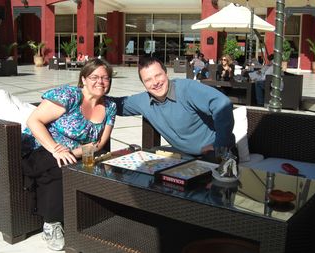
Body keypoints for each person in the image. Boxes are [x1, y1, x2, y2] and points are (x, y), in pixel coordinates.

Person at [21, 58, 116, 251]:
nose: (100, 82)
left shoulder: (110, 107)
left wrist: (74, 152)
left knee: (97, 168)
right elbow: (34, 121)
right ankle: (52, 223)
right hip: (41, 146)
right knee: (59, 167)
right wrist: (56, 148)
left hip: (77, 151)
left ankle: (90, 213)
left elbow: (99, 144)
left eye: (105, 78)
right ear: (84, 79)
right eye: (95, 77)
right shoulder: (69, 96)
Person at [112, 56, 235, 162]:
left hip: (215, 155)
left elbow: (222, 103)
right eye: (148, 80)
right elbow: (115, 105)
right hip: (183, 157)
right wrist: (94, 92)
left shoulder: (186, 88)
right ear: (143, 84)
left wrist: (220, 145)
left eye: (158, 75)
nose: (155, 82)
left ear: (166, 73)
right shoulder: (143, 101)